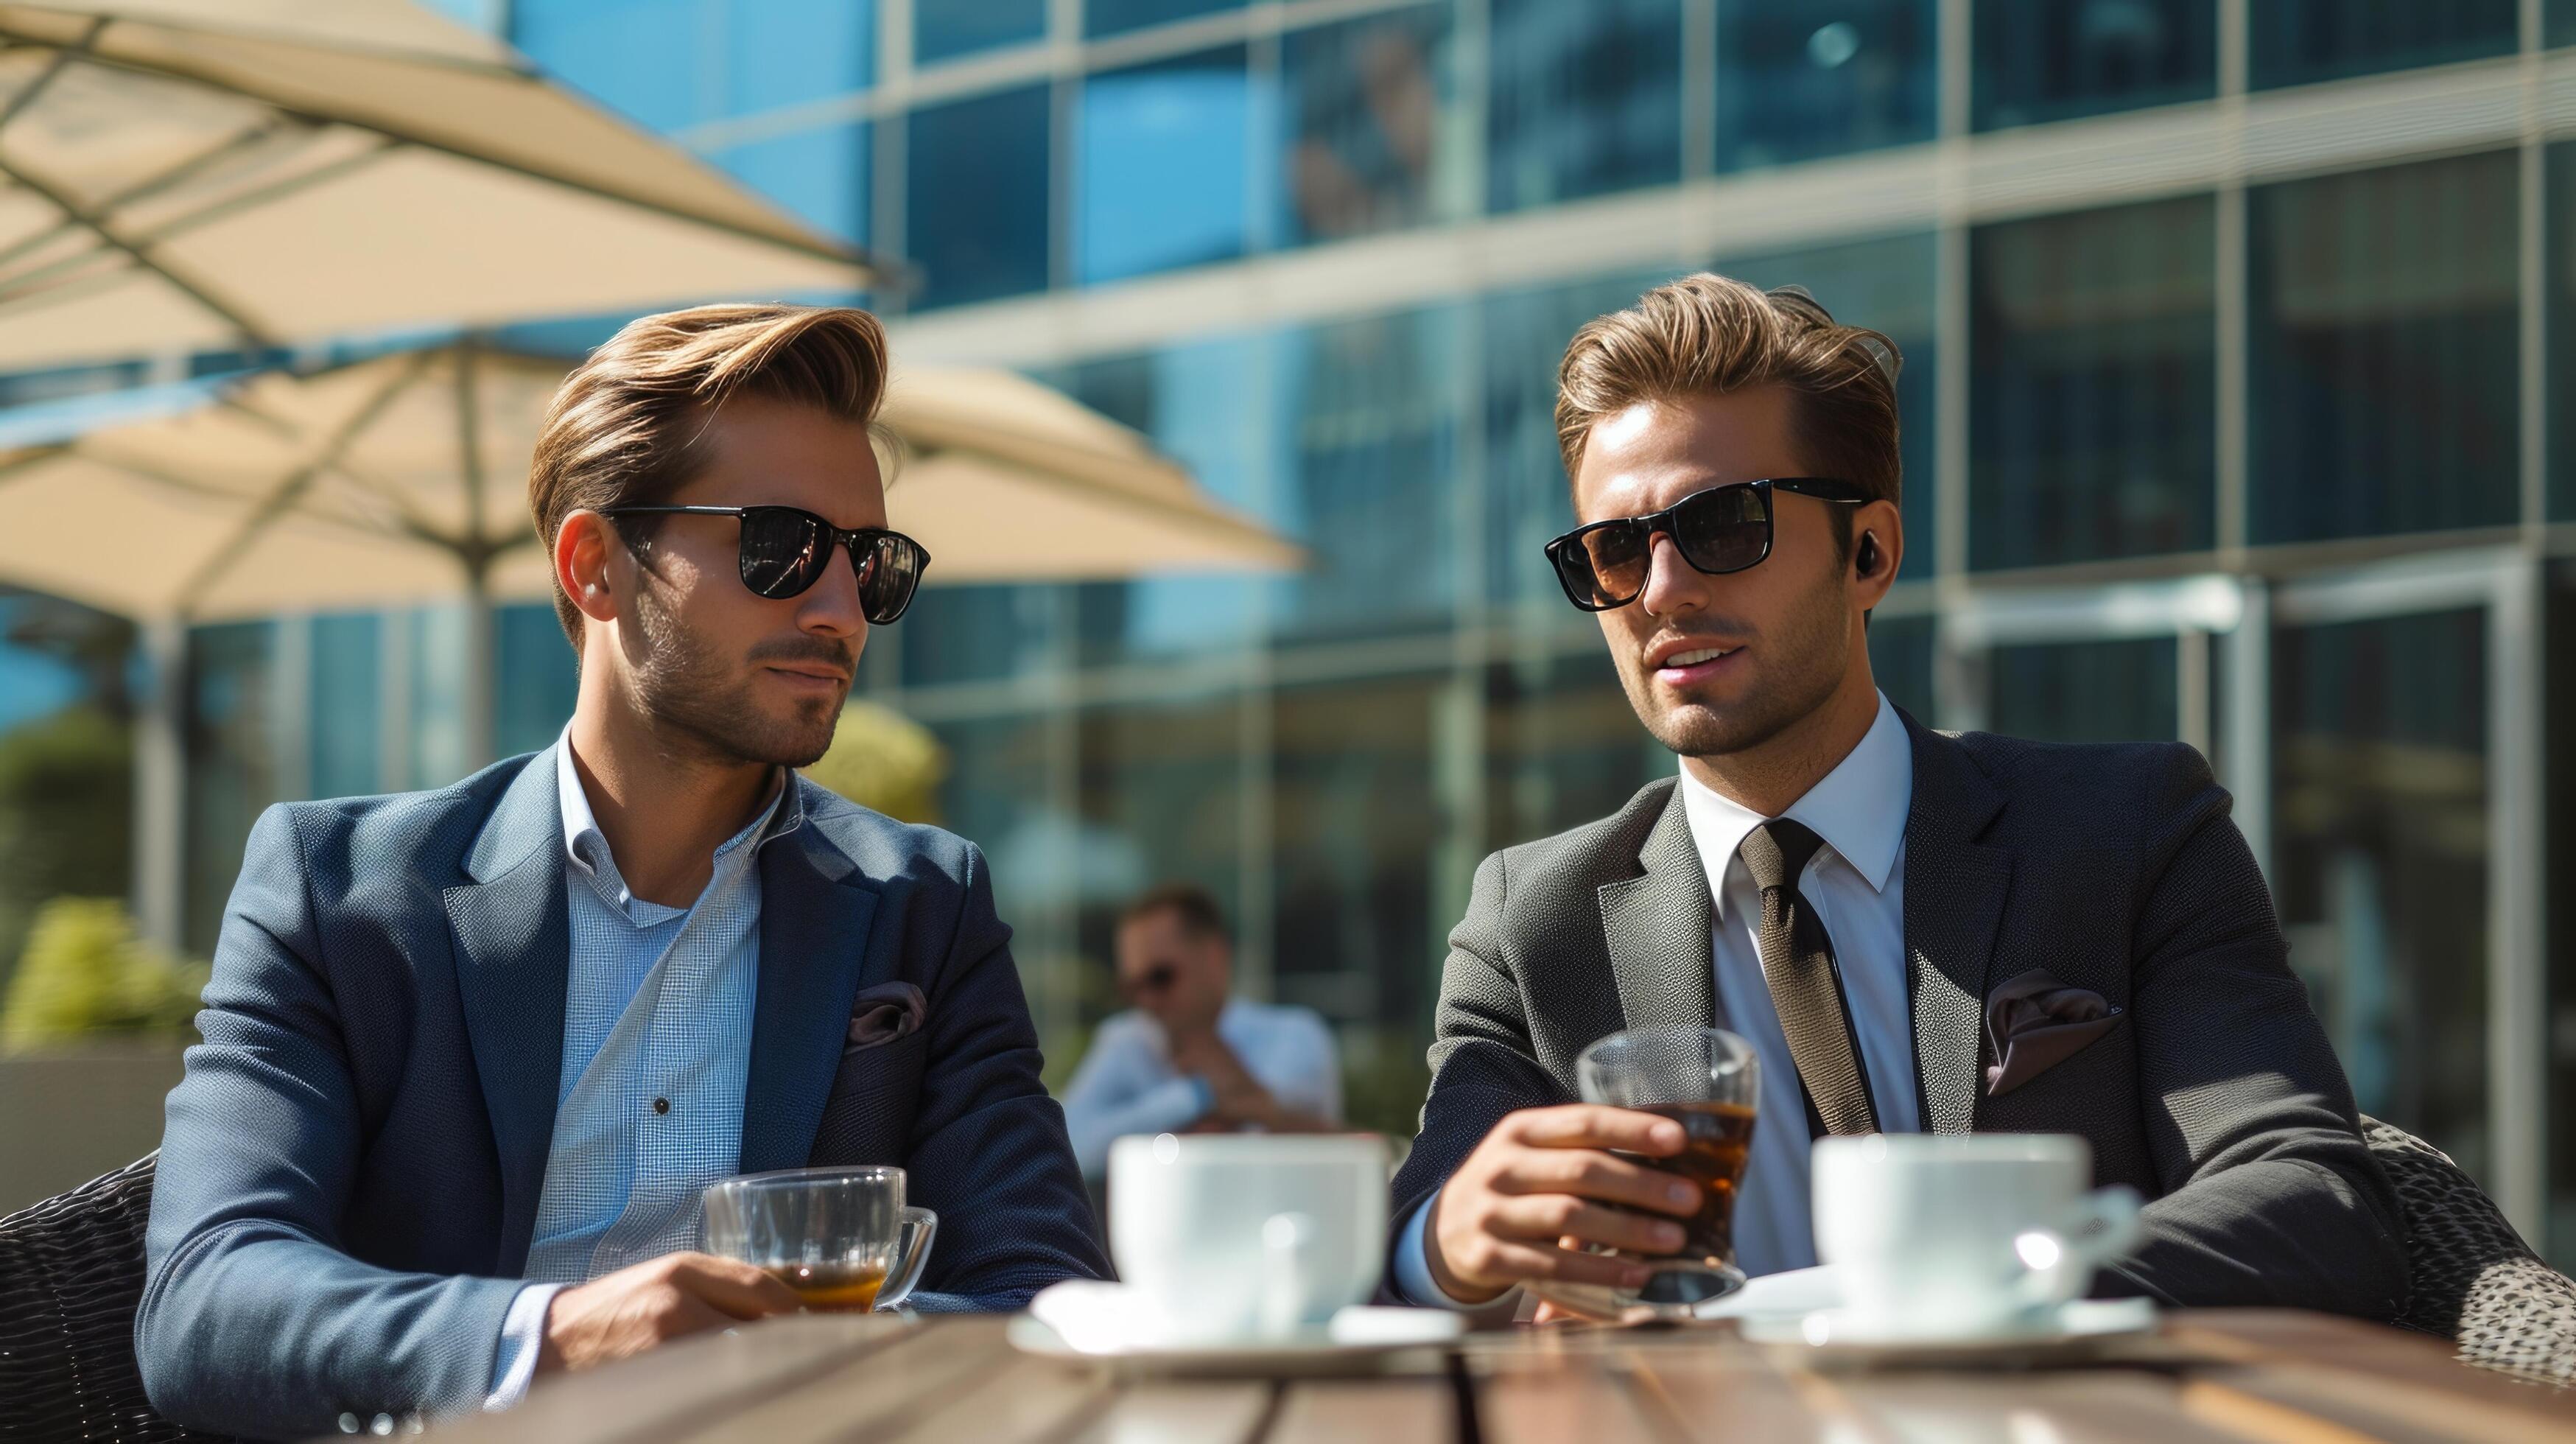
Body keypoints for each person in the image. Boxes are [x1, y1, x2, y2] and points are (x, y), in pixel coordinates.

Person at [138, 305, 1109, 1437]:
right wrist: (551, 1340)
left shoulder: (921, 910)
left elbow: (1040, 1297)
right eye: (782, 546)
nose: (841, 610)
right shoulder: (341, 891)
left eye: (871, 564)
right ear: (596, 566)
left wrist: (801, 1362)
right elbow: (206, 1300)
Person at [1387, 276, 2408, 1320]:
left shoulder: (2127, 832)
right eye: (1614, 549)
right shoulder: (1533, 921)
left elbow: (2310, 1203)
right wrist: (1449, 1249)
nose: (1662, 592)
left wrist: (1972, 1301)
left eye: (1723, 526)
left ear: (1868, 552)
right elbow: (1408, 1257)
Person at [1060, 883, 1342, 1180]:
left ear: (1215, 958)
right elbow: (1069, 1147)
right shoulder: (1125, 1039)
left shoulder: (1294, 1035)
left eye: (1160, 977)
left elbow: (1311, 1144)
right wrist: (1196, 1096)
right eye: (1133, 987)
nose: (1147, 1001)